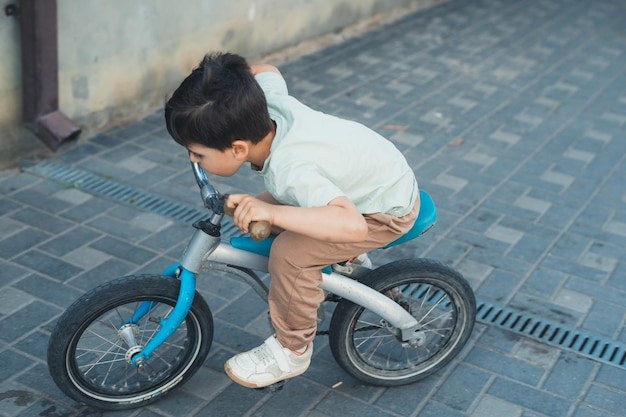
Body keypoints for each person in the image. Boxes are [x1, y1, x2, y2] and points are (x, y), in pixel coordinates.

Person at [164, 52, 420, 388]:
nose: (192, 159)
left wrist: (270, 212)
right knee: (268, 208)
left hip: (380, 212)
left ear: (239, 149)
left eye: (198, 153)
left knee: (289, 254)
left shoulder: (292, 171)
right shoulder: (266, 104)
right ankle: (344, 260)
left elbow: (354, 225)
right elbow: (266, 70)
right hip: (363, 182)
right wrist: (224, 83)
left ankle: (291, 349)